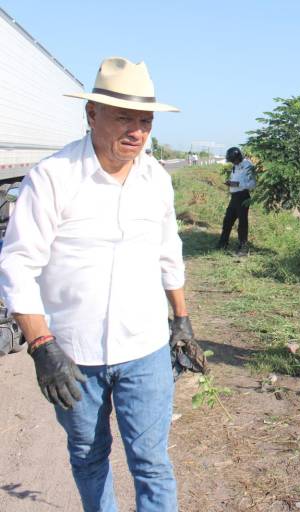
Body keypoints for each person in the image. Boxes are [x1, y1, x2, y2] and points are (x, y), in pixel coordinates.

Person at [0, 56, 191, 511]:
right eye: (124, 118)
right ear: (91, 113)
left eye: (145, 121)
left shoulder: (156, 180)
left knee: (152, 463)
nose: (137, 132)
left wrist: (182, 319)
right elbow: (18, 264)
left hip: (145, 348)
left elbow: (169, 252)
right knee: (88, 456)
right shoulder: (53, 177)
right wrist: (41, 346)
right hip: (73, 354)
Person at [216, 146, 256, 254]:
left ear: (239, 157)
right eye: (231, 161)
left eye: (234, 160)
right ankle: (223, 244)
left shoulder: (248, 165)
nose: (233, 162)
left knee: (242, 222)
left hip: (243, 196)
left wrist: (237, 184)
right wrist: (230, 183)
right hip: (234, 196)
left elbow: (252, 184)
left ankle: (243, 247)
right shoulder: (235, 166)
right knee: (227, 220)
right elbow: (235, 179)